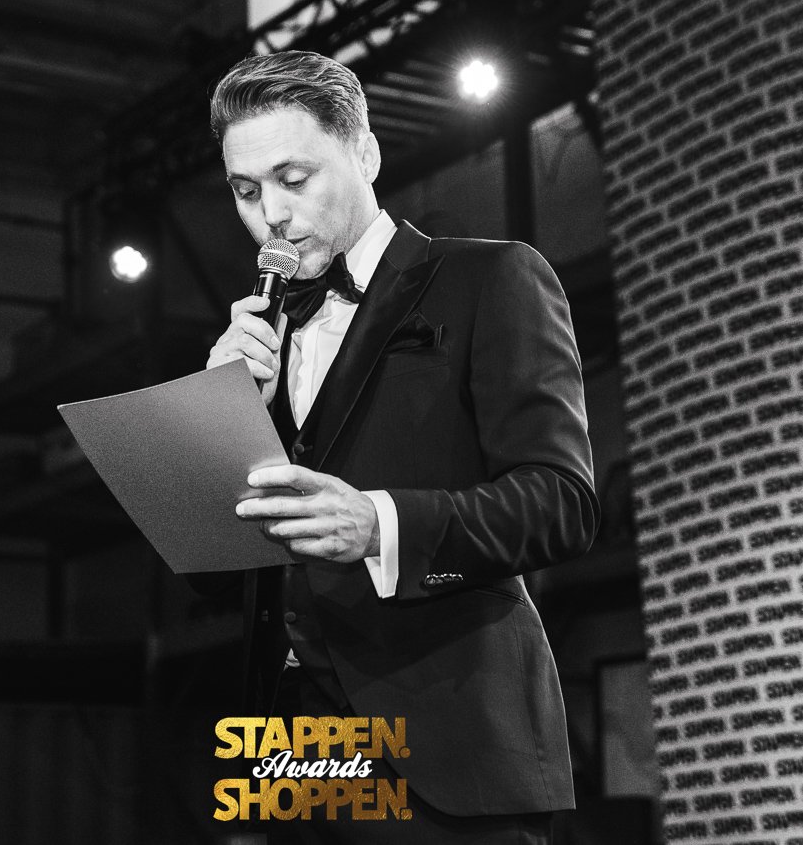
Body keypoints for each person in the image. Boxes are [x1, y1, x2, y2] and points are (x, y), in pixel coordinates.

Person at [204, 50, 598, 844]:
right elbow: (225, 577)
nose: (271, 214)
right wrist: (217, 422)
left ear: (366, 153)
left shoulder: (491, 278)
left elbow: (563, 503)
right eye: (246, 192)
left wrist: (381, 525)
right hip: (291, 752)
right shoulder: (256, 339)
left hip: (444, 741)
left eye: (293, 178)